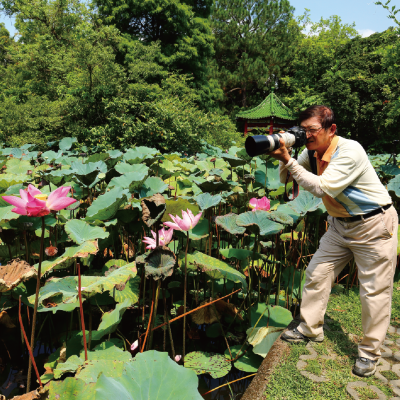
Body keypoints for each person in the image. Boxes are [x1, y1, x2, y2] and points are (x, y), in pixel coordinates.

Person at [269, 105, 398, 377]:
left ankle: (369, 353)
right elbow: (283, 178)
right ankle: (310, 328)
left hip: (373, 224)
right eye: (302, 131)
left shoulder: (350, 150)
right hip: (340, 225)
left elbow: (321, 187)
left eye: (312, 130)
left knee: (373, 291)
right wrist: (285, 155)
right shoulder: (309, 151)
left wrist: (290, 161)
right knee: (316, 273)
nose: (307, 136)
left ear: (331, 129)